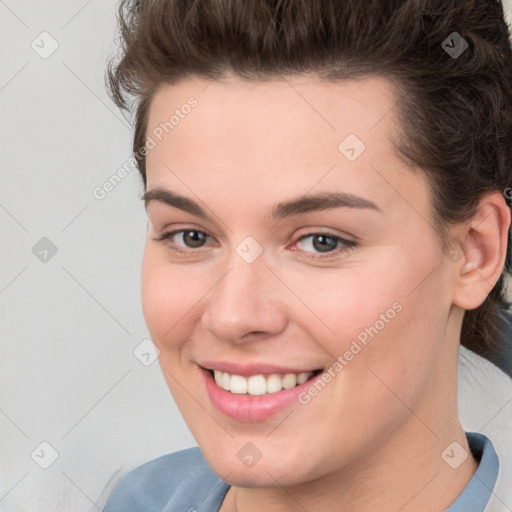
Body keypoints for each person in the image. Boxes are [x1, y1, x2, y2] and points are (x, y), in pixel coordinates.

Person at [101, 0, 512, 510]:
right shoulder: (135, 499)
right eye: (190, 236)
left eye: (322, 241)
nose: (234, 316)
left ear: (475, 252)